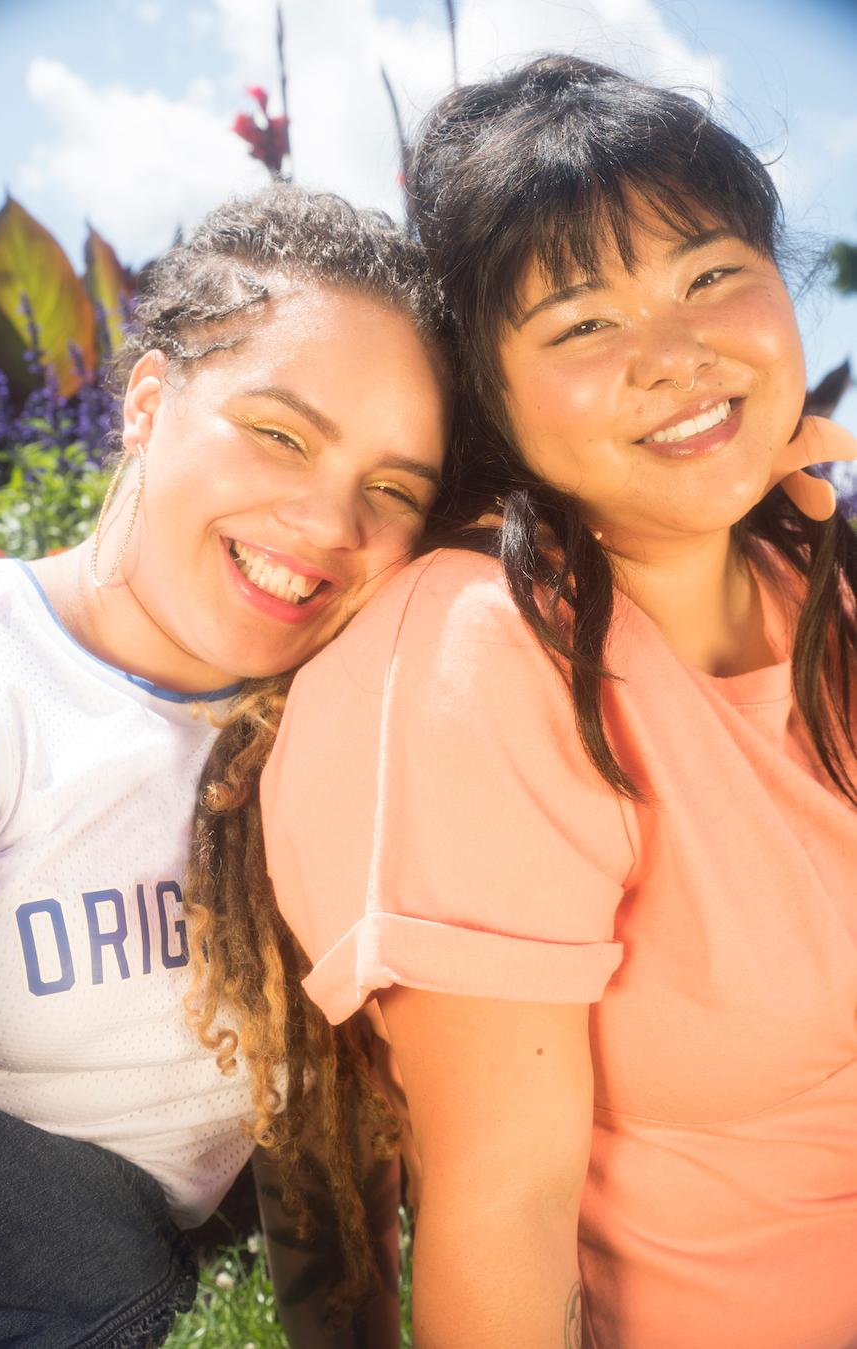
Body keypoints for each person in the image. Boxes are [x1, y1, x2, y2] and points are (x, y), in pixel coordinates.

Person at [256, 58, 857, 1349]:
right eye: (583, 323)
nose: (678, 355)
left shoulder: (813, 579)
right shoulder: (483, 660)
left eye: (710, 276)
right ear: (491, 391)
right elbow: (503, 1206)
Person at [0, 184, 450, 1348]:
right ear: (144, 400)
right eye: (280, 432)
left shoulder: (330, 734)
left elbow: (328, 1165)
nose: (332, 519)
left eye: (393, 489)